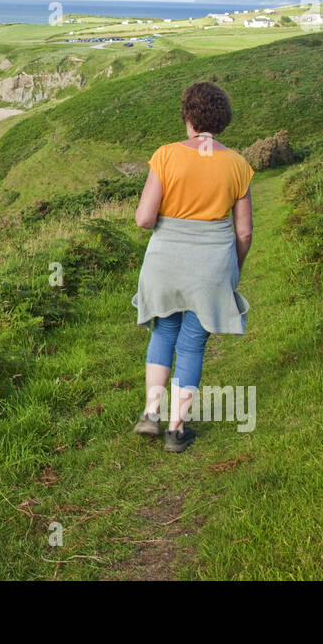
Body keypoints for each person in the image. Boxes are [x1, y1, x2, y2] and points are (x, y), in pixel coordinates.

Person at [131, 80, 254, 453]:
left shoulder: (166, 155)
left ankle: (151, 414)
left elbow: (143, 219)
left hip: (164, 261)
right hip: (212, 265)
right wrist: (233, 268)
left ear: (187, 117)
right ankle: (176, 429)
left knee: (163, 331)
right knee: (192, 344)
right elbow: (244, 231)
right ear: (222, 121)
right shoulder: (238, 164)